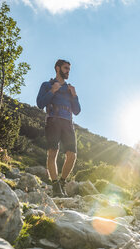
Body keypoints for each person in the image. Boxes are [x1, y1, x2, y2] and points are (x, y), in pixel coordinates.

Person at [36, 59, 81, 197]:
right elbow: (40, 103)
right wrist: (52, 91)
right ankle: (55, 185)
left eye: (69, 69)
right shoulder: (47, 85)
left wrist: (75, 96)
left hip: (68, 122)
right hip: (53, 120)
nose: (68, 71)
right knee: (53, 152)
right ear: (57, 68)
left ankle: (62, 182)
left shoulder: (70, 89)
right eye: (65, 68)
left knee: (72, 155)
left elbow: (77, 111)